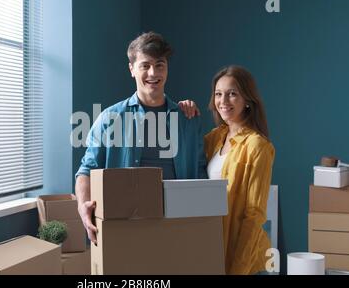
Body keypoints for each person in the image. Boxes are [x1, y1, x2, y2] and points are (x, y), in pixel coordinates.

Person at [75, 32, 208, 244]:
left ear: (167, 69)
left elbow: (200, 173)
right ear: (132, 69)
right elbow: (86, 170)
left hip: (179, 227)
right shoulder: (110, 118)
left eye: (160, 64)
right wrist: (83, 206)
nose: (153, 73)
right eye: (145, 65)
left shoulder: (188, 118)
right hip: (125, 227)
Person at [204, 65, 275, 275]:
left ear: (247, 100)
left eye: (232, 94)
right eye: (218, 94)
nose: (223, 102)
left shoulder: (258, 146)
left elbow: (254, 215)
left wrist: (238, 270)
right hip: (216, 251)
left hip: (247, 264)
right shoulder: (215, 138)